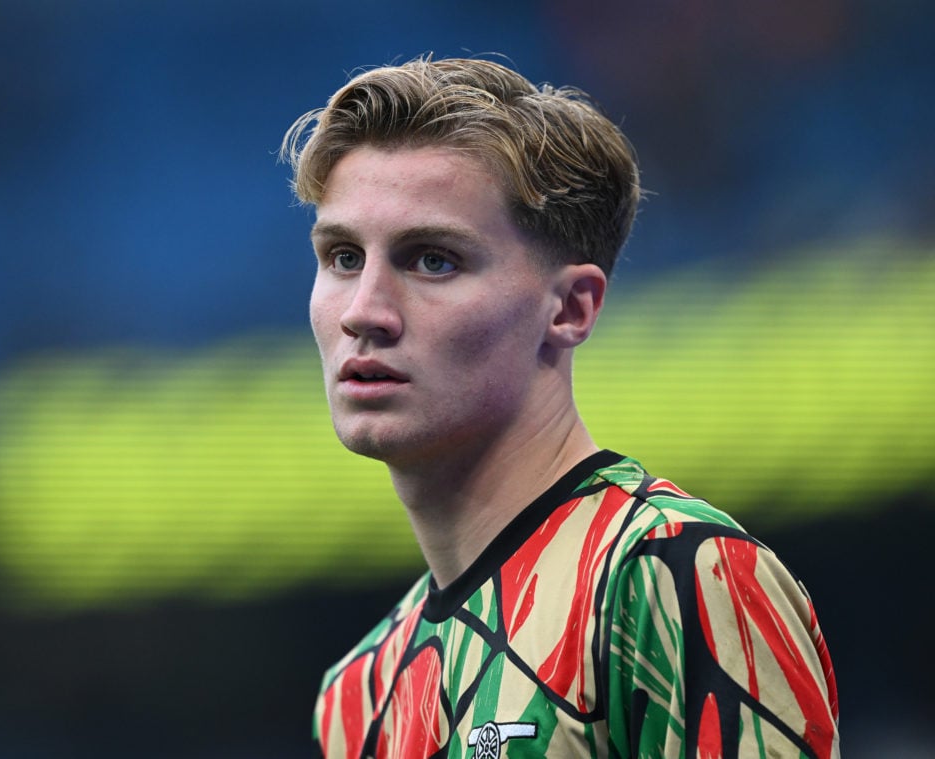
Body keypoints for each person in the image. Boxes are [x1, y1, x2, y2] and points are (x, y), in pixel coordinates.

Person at [281, 55, 839, 758]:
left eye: (433, 260)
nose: (364, 312)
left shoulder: (674, 572)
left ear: (571, 307)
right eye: (342, 257)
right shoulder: (357, 693)